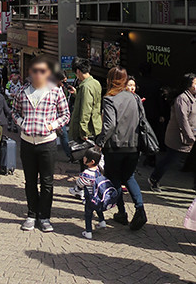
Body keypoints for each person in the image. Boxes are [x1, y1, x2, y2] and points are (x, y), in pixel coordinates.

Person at [12, 55, 70, 233]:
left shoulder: (55, 91)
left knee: (47, 182)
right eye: (35, 70)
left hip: (47, 142)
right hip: (27, 142)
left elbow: (65, 115)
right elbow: (14, 111)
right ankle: (31, 214)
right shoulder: (22, 91)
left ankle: (44, 216)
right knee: (30, 181)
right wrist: (22, 123)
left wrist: (52, 125)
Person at [96, 67, 147, 231]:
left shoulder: (110, 98)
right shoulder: (135, 97)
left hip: (115, 146)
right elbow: (142, 120)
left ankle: (122, 212)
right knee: (130, 177)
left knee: (115, 179)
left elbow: (109, 125)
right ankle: (140, 209)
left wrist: (101, 141)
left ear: (110, 80)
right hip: (133, 145)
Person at [149, 73, 196, 192]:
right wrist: (190, 138)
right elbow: (183, 120)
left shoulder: (193, 97)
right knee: (171, 159)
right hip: (179, 137)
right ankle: (154, 178)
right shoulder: (182, 99)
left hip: (191, 135)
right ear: (189, 85)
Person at [72, 148, 107, 239]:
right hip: (98, 196)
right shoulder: (99, 171)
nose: (83, 158)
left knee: (88, 214)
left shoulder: (86, 173)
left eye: (85, 157)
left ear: (91, 161)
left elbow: (80, 183)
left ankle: (88, 231)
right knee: (98, 209)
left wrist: (78, 182)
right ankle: (102, 221)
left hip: (90, 197)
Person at [68, 58, 102, 144]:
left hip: (88, 130)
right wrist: (77, 93)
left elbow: (85, 110)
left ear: (78, 71)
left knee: (83, 155)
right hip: (96, 125)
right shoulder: (95, 83)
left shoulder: (85, 87)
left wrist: (83, 131)